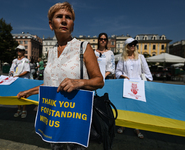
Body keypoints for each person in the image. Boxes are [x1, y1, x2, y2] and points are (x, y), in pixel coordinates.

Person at [17, 2, 104, 149]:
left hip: (75, 117)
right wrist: (29, 92)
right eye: (59, 17)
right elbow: (51, 84)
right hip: (53, 116)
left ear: (72, 25)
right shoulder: (50, 52)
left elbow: (99, 81)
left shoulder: (84, 47)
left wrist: (79, 83)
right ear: (51, 25)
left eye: (68, 17)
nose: (64, 20)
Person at [115, 38, 153, 139]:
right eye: (130, 44)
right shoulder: (123, 58)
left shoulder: (140, 57)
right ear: (126, 46)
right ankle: (123, 125)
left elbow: (147, 71)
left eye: (134, 44)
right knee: (126, 106)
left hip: (138, 86)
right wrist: (123, 76)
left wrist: (150, 83)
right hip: (127, 85)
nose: (133, 46)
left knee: (137, 107)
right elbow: (117, 71)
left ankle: (137, 128)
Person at [9, 45, 30, 118]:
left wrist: (18, 75)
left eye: (20, 50)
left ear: (24, 51)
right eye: (17, 50)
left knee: (24, 95)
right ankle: (18, 109)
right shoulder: (14, 61)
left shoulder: (26, 60)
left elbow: (27, 71)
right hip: (16, 80)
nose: (18, 52)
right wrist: (12, 74)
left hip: (23, 80)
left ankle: (24, 109)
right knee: (17, 95)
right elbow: (11, 69)